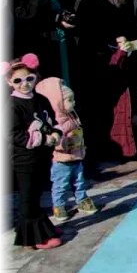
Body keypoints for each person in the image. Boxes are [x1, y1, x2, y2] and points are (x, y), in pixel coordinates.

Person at [7, 54, 63, 249]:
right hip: (23, 158)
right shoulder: (11, 105)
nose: (25, 84)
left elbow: (52, 120)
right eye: (18, 81)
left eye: (29, 79)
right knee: (28, 196)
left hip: (42, 156)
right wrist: (43, 139)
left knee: (37, 193)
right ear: (9, 82)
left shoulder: (40, 99)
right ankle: (33, 238)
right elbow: (13, 134)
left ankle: (38, 229)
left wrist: (56, 133)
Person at [35, 77, 97, 221]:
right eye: (69, 100)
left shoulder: (72, 116)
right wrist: (64, 141)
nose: (73, 103)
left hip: (77, 156)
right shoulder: (55, 122)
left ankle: (82, 200)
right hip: (61, 160)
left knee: (79, 181)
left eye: (73, 99)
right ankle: (59, 205)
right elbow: (54, 141)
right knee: (60, 184)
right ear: (57, 103)